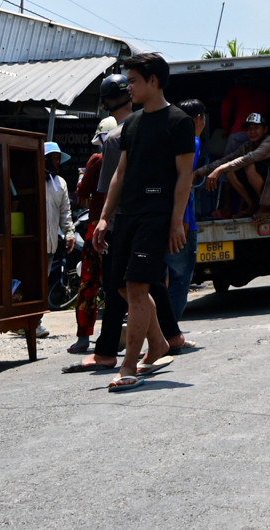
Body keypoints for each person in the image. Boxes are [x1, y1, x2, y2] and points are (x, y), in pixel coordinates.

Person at [92, 52, 196, 392]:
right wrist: (105, 218)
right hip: (127, 216)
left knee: (137, 287)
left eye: (134, 80)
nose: (129, 87)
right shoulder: (131, 125)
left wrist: (176, 222)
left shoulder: (178, 121)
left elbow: (184, 176)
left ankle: (128, 365)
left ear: (154, 81)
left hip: (157, 214)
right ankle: (160, 341)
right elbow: (120, 175)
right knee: (121, 286)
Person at [67, 115, 115, 354]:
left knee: (89, 281)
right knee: (120, 283)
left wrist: (81, 178)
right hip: (122, 223)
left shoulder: (97, 159)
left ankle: (84, 338)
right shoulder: (129, 156)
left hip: (96, 225)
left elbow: (83, 192)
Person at [199, 113, 270, 217]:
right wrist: (200, 172)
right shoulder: (248, 145)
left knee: (249, 166)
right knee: (229, 170)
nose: (252, 132)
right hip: (264, 191)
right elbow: (228, 159)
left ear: (265, 129)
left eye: (256, 128)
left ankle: (266, 208)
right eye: (249, 129)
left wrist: (219, 169)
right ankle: (252, 205)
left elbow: (248, 159)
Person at [164, 98, 206, 322]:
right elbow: (185, 184)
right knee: (180, 281)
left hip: (165, 216)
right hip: (183, 220)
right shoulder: (192, 143)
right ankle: (171, 332)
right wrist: (183, 220)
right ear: (199, 119)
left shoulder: (166, 143)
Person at [40, 140, 76, 340]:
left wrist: (69, 233)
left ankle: (35, 322)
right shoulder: (32, 178)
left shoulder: (60, 183)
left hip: (50, 243)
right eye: (52, 158)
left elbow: (65, 213)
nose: (56, 163)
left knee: (42, 283)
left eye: (57, 159)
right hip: (33, 243)